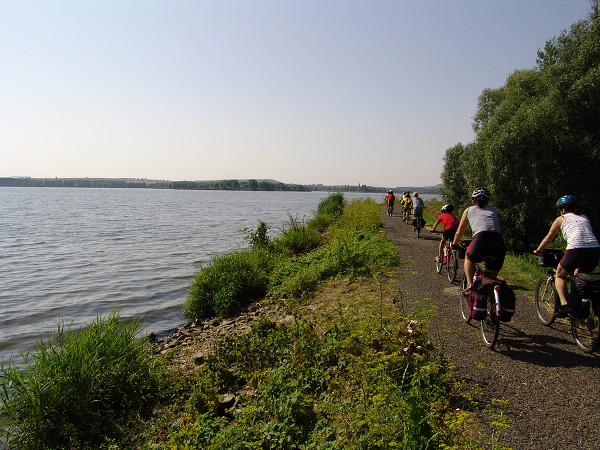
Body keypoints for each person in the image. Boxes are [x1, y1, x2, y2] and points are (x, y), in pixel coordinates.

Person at [533, 195, 600, 316]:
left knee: (560, 275)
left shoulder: (561, 218)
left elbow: (548, 238)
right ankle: (581, 305)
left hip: (576, 249)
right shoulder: (584, 217)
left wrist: (538, 250)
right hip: (595, 250)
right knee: (581, 277)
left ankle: (565, 306)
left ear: (563, 209)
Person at [451, 187, 505, 289]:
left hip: (481, 239)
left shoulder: (469, 210)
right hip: (498, 242)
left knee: (469, 257)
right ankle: (492, 294)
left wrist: (454, 244)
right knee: (491, 280)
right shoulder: (494, 210)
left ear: (474, 200)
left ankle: (469, 284)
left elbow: (459, 232)